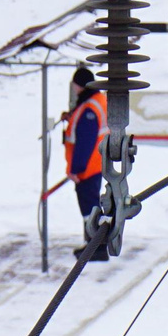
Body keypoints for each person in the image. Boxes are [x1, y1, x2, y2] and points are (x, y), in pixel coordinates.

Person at [62, 64, 106, 223]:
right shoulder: (97, 100)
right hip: (96, 163)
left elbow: (85, 141)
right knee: (92, 208)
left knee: (90, 211)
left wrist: (76, 168)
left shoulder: (89, 108)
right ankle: (93, 244)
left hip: (88, 168)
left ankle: (94, 245)